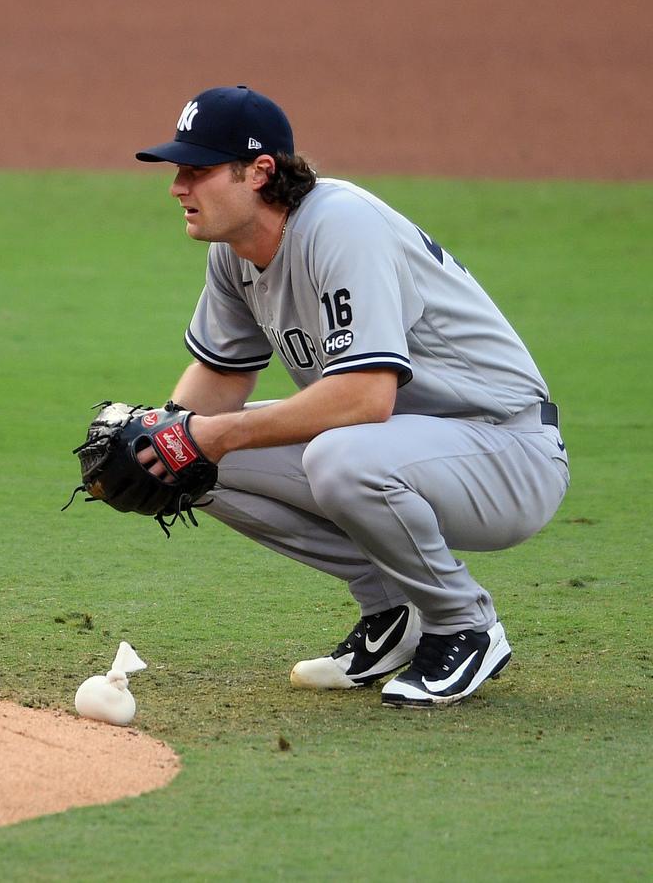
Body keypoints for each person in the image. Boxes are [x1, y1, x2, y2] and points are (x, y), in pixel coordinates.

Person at [132, 86, 570, 708]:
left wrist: (213, 433)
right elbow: (221, 382)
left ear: (259, 173)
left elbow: (366, 399)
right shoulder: (235, 255)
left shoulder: (340, 225)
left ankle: (465, 625)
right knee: (189, 458)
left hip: (507, 451)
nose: (178, 185)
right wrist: (160, 439)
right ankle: (394, 613)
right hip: (403, 449)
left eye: (196, 170)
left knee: (335, 457)